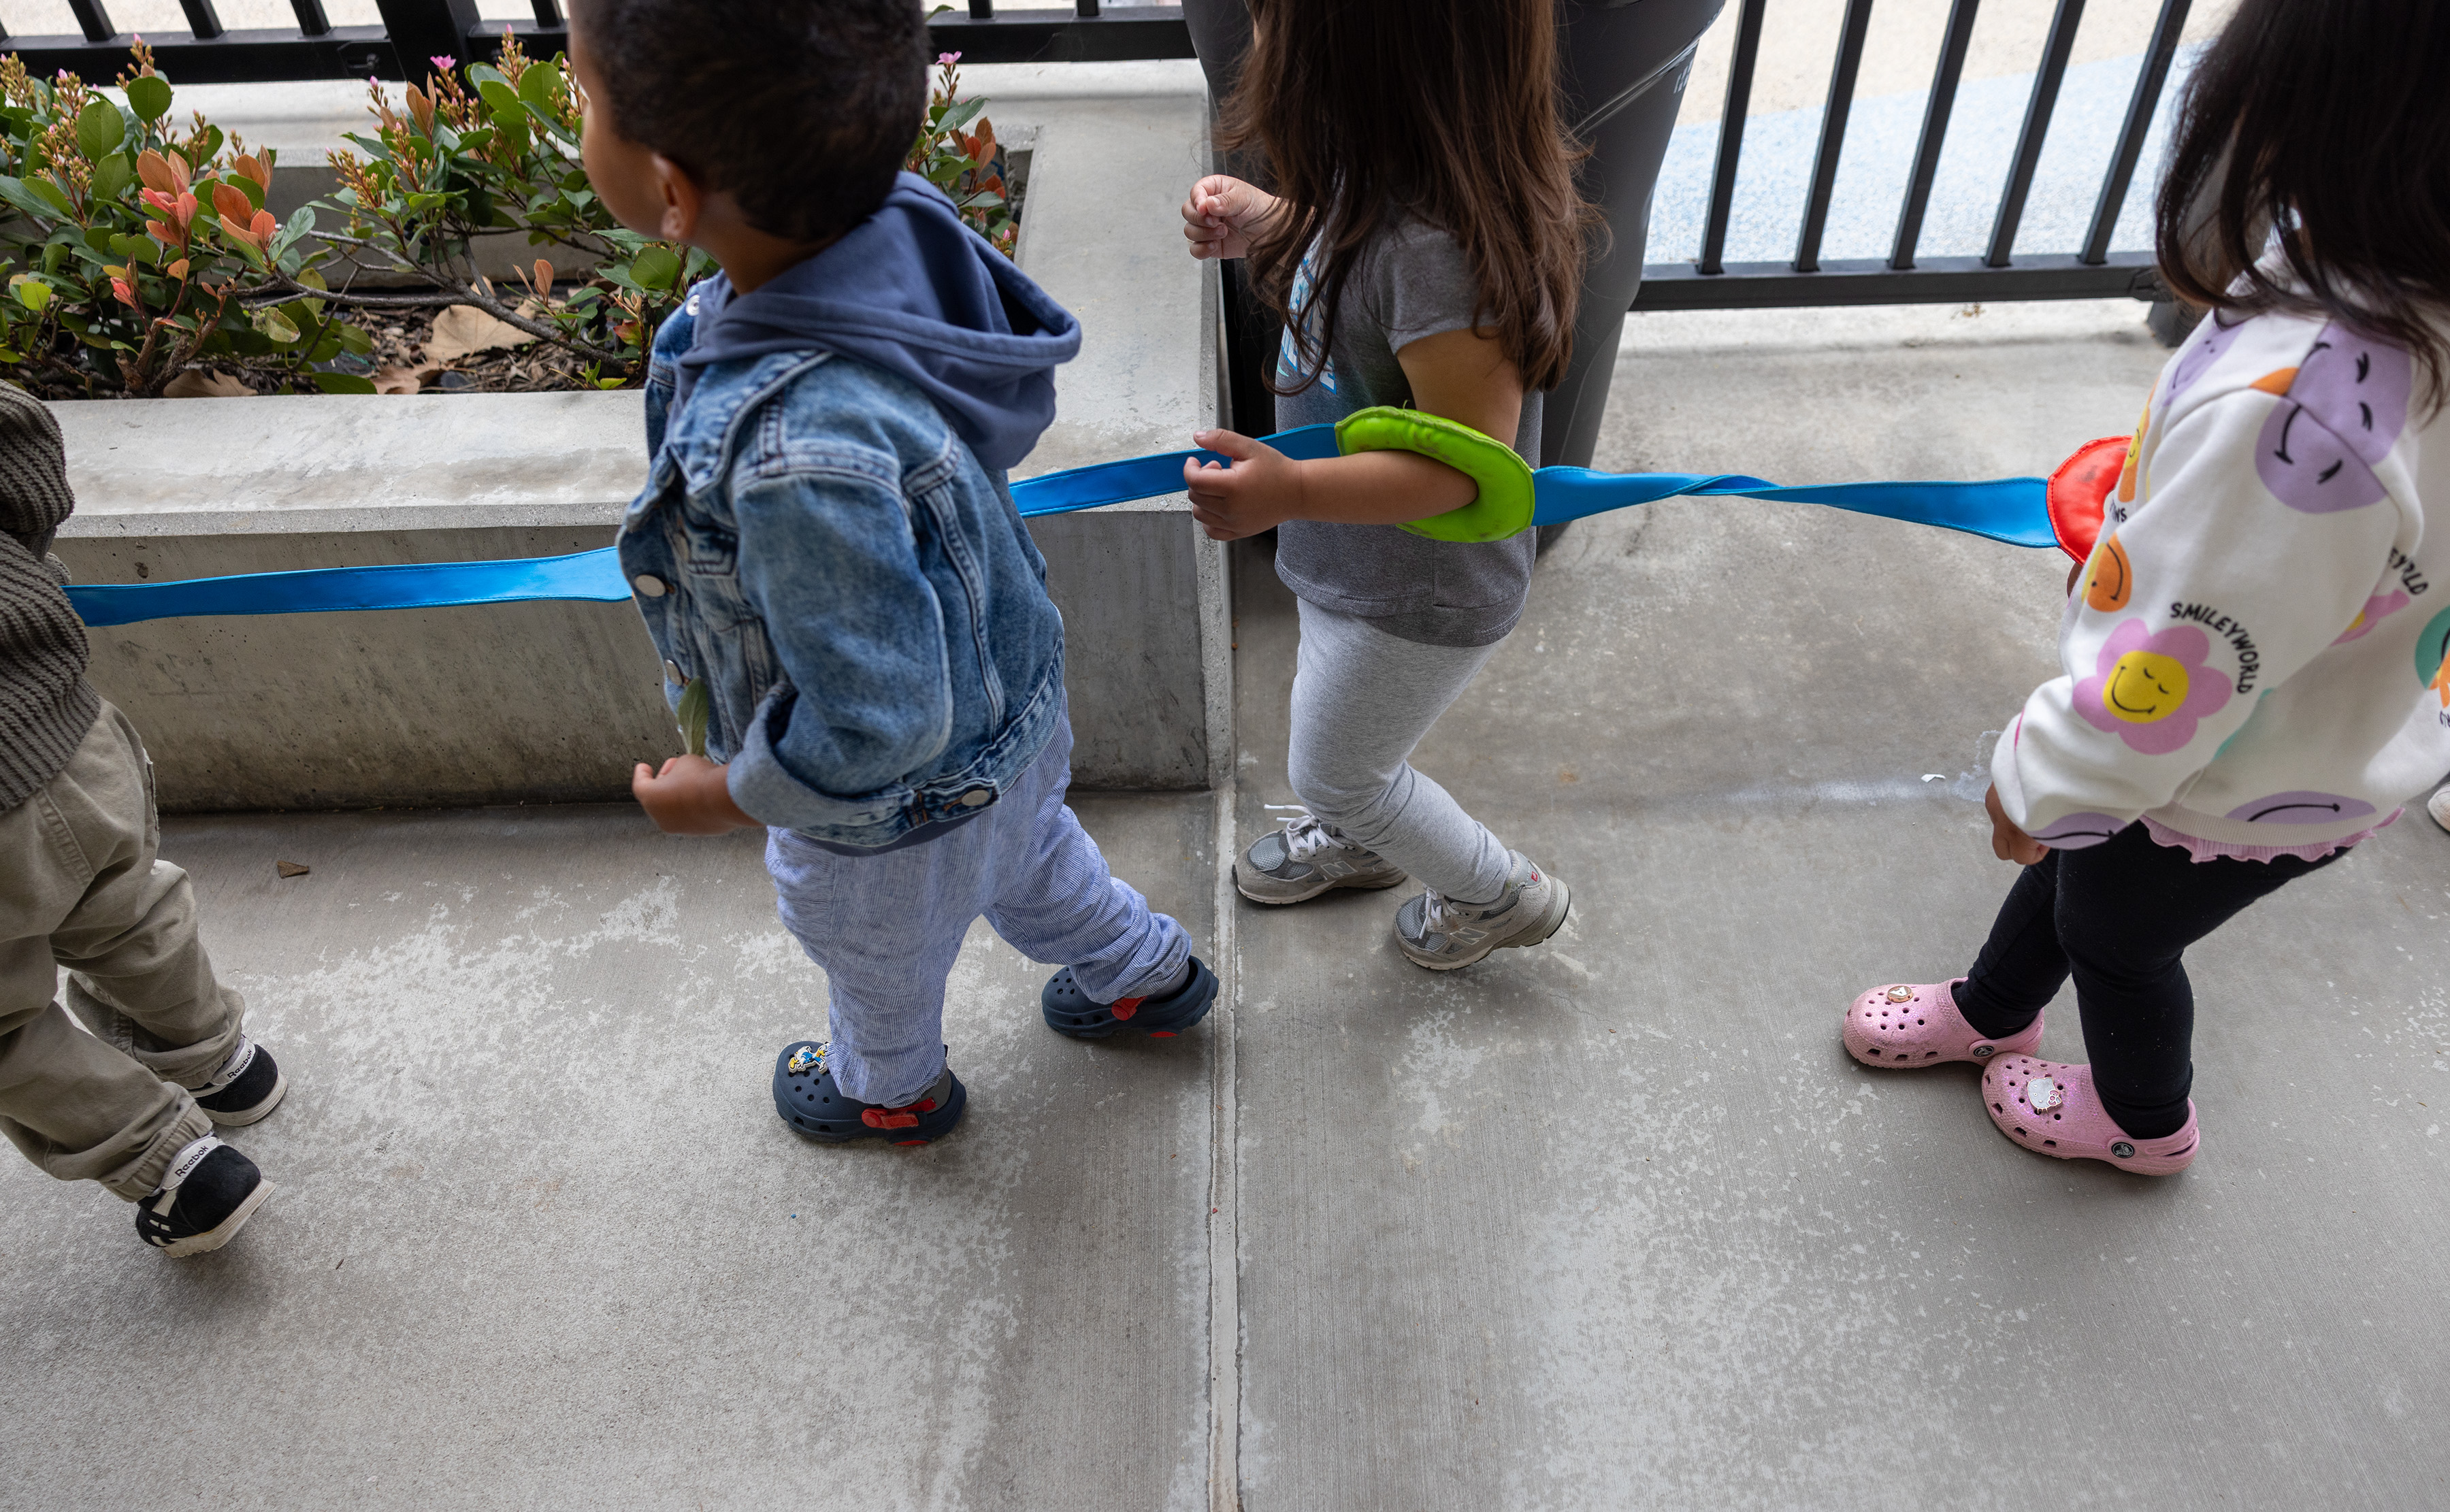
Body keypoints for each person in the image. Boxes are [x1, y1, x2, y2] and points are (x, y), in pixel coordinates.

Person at [575, 0, 1216, 1145]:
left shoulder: (791, 457)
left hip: (894, 810)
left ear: (671, 189)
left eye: (582, 100)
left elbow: (881, 721)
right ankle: (1143, 973)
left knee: (877, 957)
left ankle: (891, 1087)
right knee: (1030, 851)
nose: (578, 118)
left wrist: (729, 793)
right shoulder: (893, 240)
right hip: (1014, 717)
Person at [1844, 0, 2450, 1175]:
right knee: (2088, 879)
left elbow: (2170, 676)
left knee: (2115, 933)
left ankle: (2141, 1119)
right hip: (2331, 727)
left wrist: (2041, 782)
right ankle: (1993, 1004)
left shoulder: (2307, 411)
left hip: (2227, 777)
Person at [1177, 0, 1583, 970]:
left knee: (1337, 762)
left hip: (1421, 589)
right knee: (1332, 708)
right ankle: (1363, 836)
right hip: (1358, 556)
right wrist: (1270, 225)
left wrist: (1293, 494)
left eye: (1278, 27)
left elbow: (1458, 465)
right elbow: (1346, 256)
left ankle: (1498, 894)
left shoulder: (1441, 255)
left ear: (1360, 73)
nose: (1259, 42)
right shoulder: (1388, 178)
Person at [0, 385, 284, 1255]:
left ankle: (175, 1166)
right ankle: (219, 1061)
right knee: (126, 906)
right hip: (65, 734)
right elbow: (18, 435)